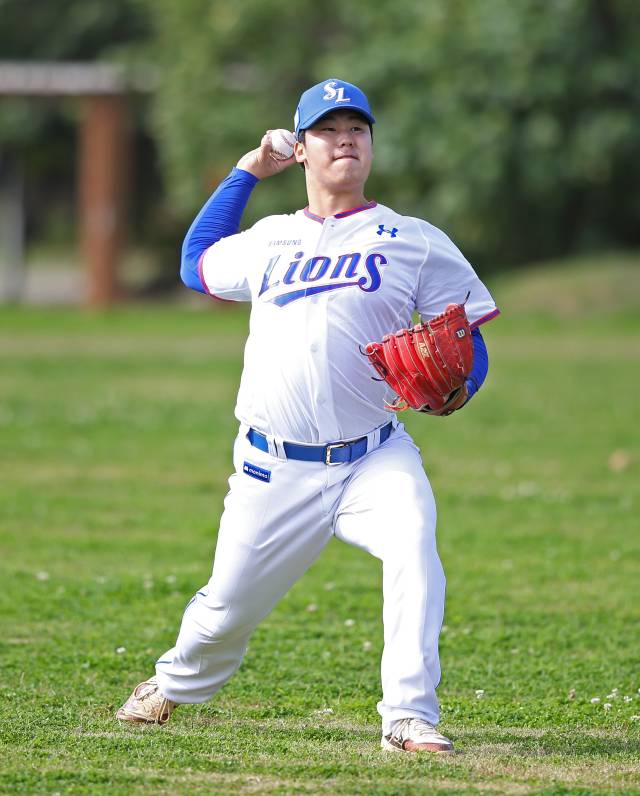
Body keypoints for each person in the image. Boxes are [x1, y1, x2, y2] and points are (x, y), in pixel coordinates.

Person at [116, 78, 499, 754]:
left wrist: (463, 383)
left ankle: (407, 715)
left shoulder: (411, 239)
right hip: (274, 467)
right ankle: (172, 682)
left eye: (358, 127)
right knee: (223, 613)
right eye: (328, 128)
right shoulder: (269, 240)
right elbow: (192, 262)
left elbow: (467, 338)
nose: (345, 137)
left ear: (371, 145)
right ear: (302, 149)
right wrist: (245, 171)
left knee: (415, 550)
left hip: (375, 455)